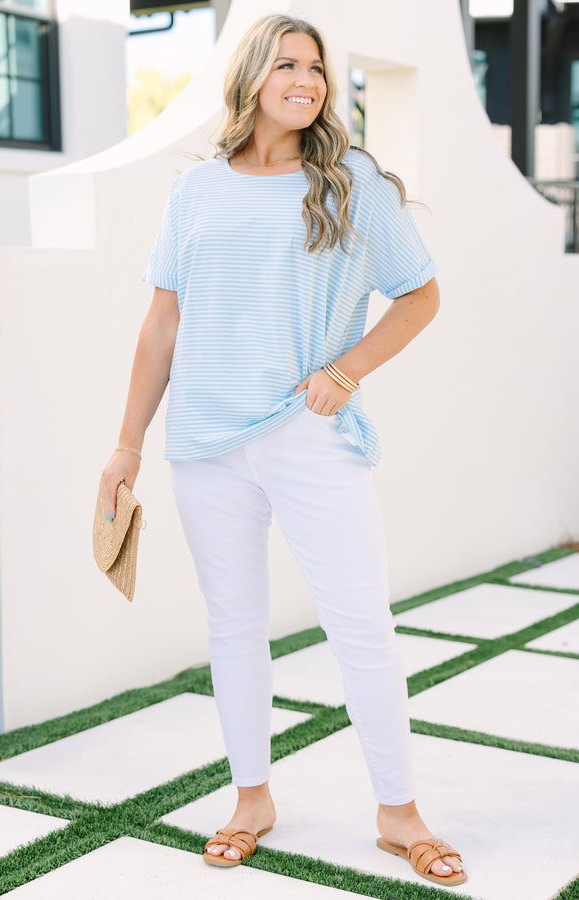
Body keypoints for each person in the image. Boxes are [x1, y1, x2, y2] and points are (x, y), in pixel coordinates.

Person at [101, 13, 466, 887]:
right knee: (235, 630)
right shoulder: (195, 193)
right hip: (203, 443)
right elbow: (161, 326)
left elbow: (420, 295)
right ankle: (251, 798)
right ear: (254, 75)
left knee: (361, 625)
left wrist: (346, 370)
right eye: (288, 63)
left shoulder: (352, 183)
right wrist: (125, 447)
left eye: (317, 67)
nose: (306, 79)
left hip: (309, 436)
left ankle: (398, 813)